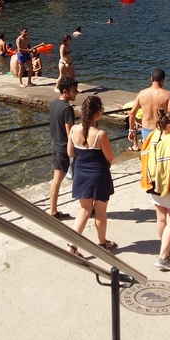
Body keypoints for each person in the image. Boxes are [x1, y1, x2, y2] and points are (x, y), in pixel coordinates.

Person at [140, 110, 170, 271]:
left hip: (155, 183)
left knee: (161, 219)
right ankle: (163, 258)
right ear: (169, 126)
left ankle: (165, 247)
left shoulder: (153, 137)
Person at [67, 95, 115, 257]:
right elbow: (110, 157)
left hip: (81, 174)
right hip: (99, 175)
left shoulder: (73, 130)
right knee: (100, 212)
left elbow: (70, 153)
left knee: (84, 210)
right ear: (98, 112)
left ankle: (72, 246)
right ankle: (102, 243)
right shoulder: (100, 134)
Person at [49, 75, 78, 221]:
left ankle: (53, 211)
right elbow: (70, 132)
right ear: (65, 91)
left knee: (56, 179)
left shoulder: (54, 103)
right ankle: (87, 208)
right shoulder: (67, 109)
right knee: (80, 178)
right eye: (74, 90)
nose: (76, 92)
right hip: (65, 149)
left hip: (56, 147)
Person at [128, 68, 170, 144]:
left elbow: (132, 113)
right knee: (161, 151)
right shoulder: (167, 95)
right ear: (163, 80)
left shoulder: (141, 93)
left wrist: (131, 130)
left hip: (146, 130)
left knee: (149, 151)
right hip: (160, 130)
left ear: (151, 79)